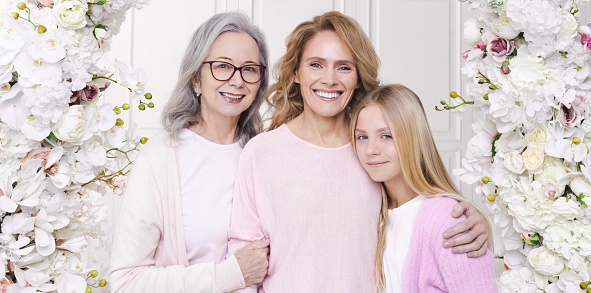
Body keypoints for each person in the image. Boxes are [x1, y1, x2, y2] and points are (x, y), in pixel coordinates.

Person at [227, 11, 490, 292]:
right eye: (316, 64)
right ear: (295, 73)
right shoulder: (261, 153)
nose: (329, 79)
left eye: (343, 67)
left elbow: (414, 204)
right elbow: (244, 261)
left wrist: (471, 217)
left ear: (358, 78)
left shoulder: (370, 152)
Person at [109, 12, 271, 293]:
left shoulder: (266, 155)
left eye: (249, 69)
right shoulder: (160, 161)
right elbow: (126, 281)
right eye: (222, 66)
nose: (236, 81)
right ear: (196, 79)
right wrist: (227, 275)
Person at [351, 84, 497, 292]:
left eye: (386, 135)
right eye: (362, 137)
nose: (371, 150)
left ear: (412, 138)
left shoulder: (449, 219)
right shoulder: (374, 213)